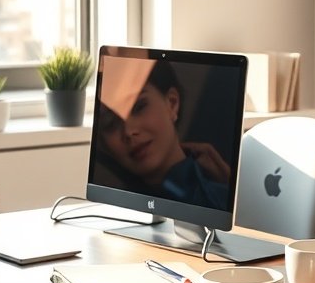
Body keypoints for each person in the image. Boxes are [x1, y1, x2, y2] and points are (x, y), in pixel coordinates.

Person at [94, 57, 232, 210]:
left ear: (172, 104)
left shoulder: (219, 196)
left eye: (139, 107)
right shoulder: (113, 210)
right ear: (105, 146)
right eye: (111, 124)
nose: (129, 131)